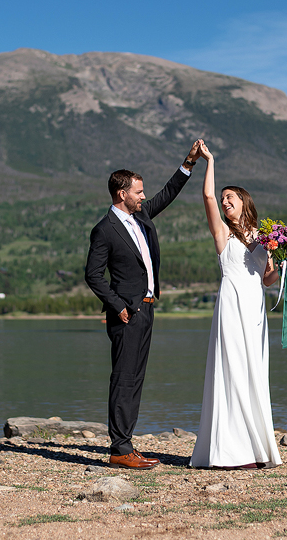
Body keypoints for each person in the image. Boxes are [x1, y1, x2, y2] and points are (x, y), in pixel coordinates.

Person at [84, 140, 204, 470]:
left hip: (148, 309)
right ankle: (120, 449)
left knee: (135, 379)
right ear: (122, 193)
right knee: (123, 379)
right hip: (127, 314)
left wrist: (188, 163)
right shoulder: (104, 230)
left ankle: (126, 445)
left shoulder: (142, 216)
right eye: (138, 191)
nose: (143, 196)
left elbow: (168, 193)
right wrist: (118, 306)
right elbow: (92, 275)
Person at [189, 140, 283, 469]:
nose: (226, 200)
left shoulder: (264, 236)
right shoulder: (221, 234)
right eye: (225, 197)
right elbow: (207, 197)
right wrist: (209, 160)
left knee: (253, 373)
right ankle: (228, 451)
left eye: (232, 197)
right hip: (230, 306)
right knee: (231, 372)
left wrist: (280, 260)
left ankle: (256, 450)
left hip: (255, 310)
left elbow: (267, 278)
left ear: (244, 202)